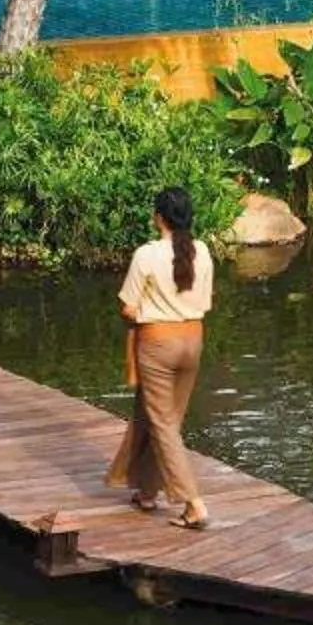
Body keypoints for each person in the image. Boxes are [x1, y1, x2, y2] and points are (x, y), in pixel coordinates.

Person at [110, 185, 213, 530]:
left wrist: (133, 317)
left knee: (163, 422)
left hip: (157, 344)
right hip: (193, 341)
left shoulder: (147, 254)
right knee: (161, 417)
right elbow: (206, 303)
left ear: (158, 218)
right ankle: (148, 490)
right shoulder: (203, 251)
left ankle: (193, 503)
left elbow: (128, 307)